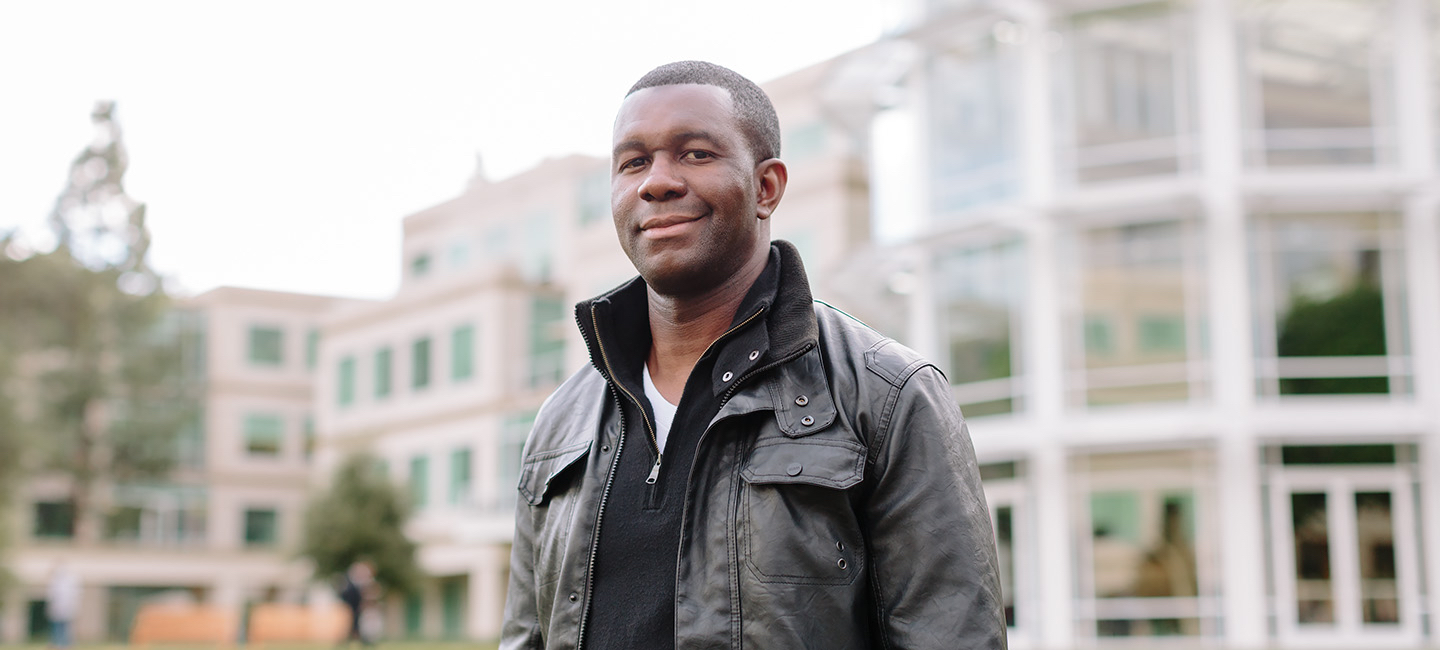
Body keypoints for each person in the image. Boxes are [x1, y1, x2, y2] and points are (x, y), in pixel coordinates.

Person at [501, 61, 1006, 650]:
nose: (656, 182)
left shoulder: (890, 395)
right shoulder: (561, 422)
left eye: (694, 153)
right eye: (633, 162)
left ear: (766, 187)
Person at [338, 561, 376, 646]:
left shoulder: (364, 583)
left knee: (360, 624)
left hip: (360, 608)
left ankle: (363, 640)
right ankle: (351, 640)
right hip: (354, 607)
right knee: (354, 624)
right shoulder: (351, 584)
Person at [46, 562, 80, 649]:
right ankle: (57, 643)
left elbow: (73, 595)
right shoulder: (55, 580)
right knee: (58, 626)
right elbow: (52, 595)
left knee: (64, 627)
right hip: (58, 608)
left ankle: (64, 644)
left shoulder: (69, 580)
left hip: (65, 607)